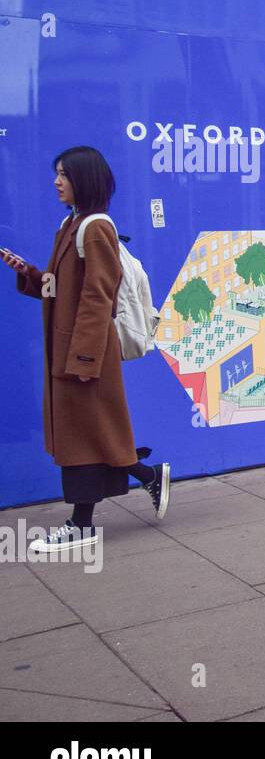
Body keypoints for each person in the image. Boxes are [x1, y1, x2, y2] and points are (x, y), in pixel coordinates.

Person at [1, 147, 170, 553]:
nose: (57, 181)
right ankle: (148, 477)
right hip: (72, 348)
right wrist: (29, 275)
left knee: (83, 435)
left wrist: (83, 358)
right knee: (93, 432)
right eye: (56, 173)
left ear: (85, 179)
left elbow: (99, 296)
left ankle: (81, 525)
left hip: (84, 351)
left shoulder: (95, 228)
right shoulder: (71, 223)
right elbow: (64, 289)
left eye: (64, 174)